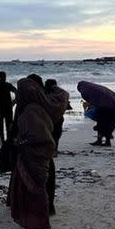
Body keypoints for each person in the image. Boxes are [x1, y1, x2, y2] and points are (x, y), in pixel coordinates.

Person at [9, 78, 57, 229]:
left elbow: (39, 135)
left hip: (34, 154)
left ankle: (41, 224)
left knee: (36, 190)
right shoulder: (38, 108)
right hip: (38, 154)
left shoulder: (31, 110)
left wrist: (19, 141)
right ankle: (36, 222)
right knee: (35, 189)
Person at [42, 80, 70, 216]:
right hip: (58, 119)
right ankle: (54, 150)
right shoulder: (60, 95)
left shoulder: (47, 96)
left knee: (53, 135)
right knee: (56, 136)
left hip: (52, 122)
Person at [0, 71, 17, 145]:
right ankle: (9, 144)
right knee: (9, 127)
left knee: (0, 128)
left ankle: (3, 144)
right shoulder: (8, 85)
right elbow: (16, 92)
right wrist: (14, 101)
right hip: (7, 108)